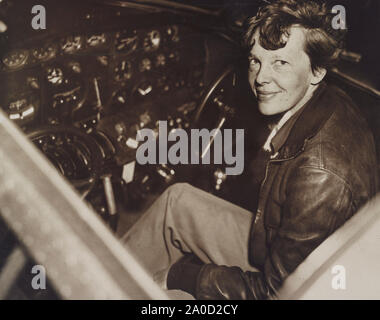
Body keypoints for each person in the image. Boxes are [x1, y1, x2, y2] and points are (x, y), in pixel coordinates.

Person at [122, 0, 378, 299]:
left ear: (316, 70)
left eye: (280, 63)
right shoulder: (326, 99)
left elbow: (275, 294)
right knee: (177, 202)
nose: (260, 78)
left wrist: (183, 276)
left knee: (172, 299)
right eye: (256, 60)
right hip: (282, 252)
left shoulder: (320, 174)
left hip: (304, 290)